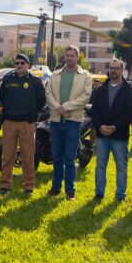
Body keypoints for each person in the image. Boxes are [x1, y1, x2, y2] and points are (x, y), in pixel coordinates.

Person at [45, 45, 93, 200]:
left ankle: (70, 190)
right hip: (55, 121)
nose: (70, 58)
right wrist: (58, 108)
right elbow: (48, 94)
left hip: (73, 121)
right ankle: (55, 187)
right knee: (57, 156)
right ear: (64, 57)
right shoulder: (55, 75)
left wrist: (65, 107)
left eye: (72, 55)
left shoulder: (85, 76)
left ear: (77, 57)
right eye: (67, 55)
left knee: (70, 157)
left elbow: (85, 98)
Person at [0, 53, 46, 195]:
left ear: (28, 65)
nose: (19, 65)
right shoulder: (7, 79)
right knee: (7, 156)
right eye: (17, 63)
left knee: (27, 156)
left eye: (22, 63)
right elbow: (2, 96)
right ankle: (5, 185)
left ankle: (28, 186)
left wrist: (32, 115)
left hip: (27, 123)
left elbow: (41, 101)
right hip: (10, 122)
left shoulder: (35, 81)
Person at [89, 58, 132, 202]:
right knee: (100, 166)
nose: (113, 70)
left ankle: (120, 195)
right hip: (102, 136)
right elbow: (94, 110)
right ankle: (99, 193)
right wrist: (100, 126)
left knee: (121, 167)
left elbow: (129, 113)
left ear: (122, 70)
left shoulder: (129, 90)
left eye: (116, 68)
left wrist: (115, 127)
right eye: (111, 68)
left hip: (119, 136)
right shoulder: (100, 90)